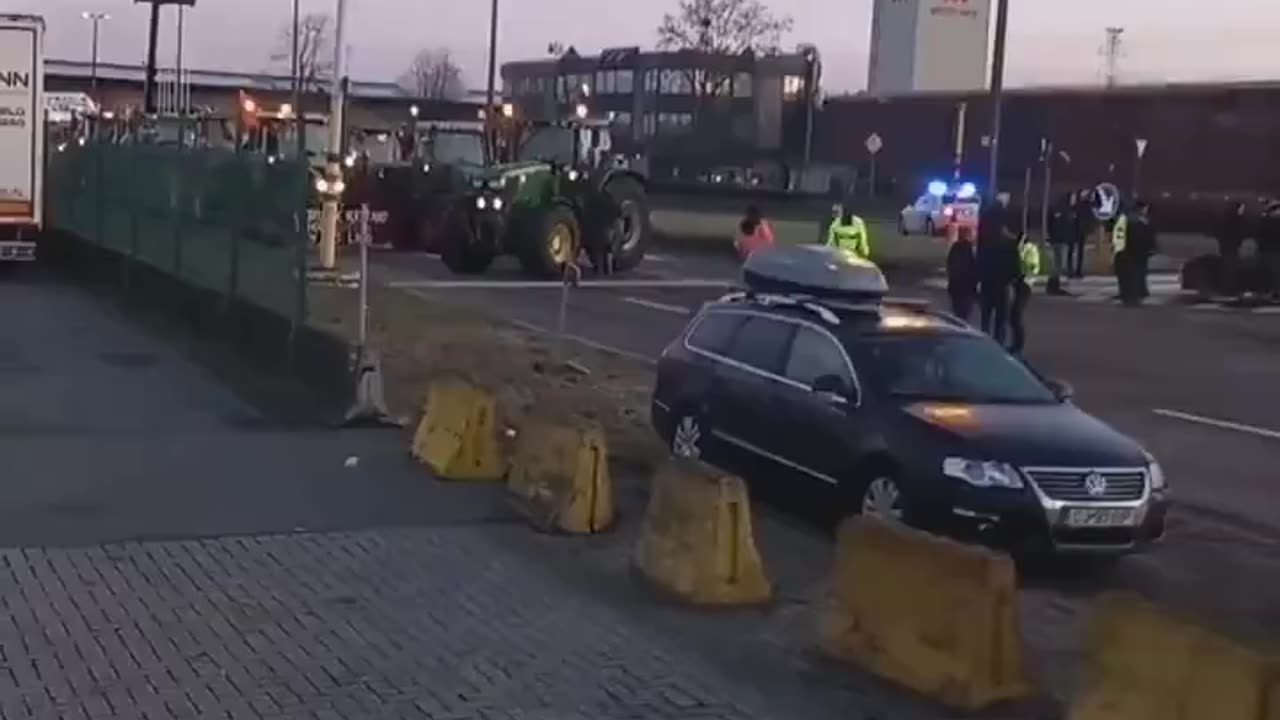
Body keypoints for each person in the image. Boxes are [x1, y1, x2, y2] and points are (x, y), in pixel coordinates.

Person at [976, 192, 1021, 344]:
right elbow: (1013, 264)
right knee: (1000, 316)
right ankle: (997, 343)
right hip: (1000, 282)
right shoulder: (1008, 245)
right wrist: (1014, 279)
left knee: (986, 314)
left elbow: (980, 256)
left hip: (987, 279)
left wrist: (978, 277)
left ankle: (984, 340)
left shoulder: (986, 225)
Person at [1114, 200, 1156, 306]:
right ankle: (1132, 297)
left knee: (1133, 276)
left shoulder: (1134, 220)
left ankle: (1132, 296)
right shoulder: (1135, 221)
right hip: (1133, 253)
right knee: (1133, 275)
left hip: (1134, 252)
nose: (1146, 210)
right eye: (1145, 208)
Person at [1010, 233, 1042, 354]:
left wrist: (1025, 272)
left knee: (1016, 314)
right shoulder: (1019, 248)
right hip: (1017, 282)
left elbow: (1031, 266)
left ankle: (1018, 345)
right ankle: (1016, 343)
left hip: (1025, 283)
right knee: (1012, 315)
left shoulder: (1030, 249)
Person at [946, 226, 978, 322]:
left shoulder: (955, 247)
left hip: (955, 286)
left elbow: (950, 264)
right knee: (964, 314)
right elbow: (974, 268)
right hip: (966, 287)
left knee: (957, 313)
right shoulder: (970, 249)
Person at [1216, 201, 1249, 297]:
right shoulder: (1236, 220)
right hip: (1231, 247)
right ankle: (1230, 290)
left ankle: (1227, 289)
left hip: (1227, 247)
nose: (1243, 210)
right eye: (1242, 208)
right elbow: (1238, 233)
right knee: (1231, 269)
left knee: (1228, 269)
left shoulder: (1226, 220)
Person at [1046, 193, 1076, 294]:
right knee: (1058, 263)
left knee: (1058, 263)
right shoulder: (1062, 210)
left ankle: (1053, 285)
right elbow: (1059, 225)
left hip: (1058, 239)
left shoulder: (1064, 210)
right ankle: (1053, 285)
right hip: (1058, 239)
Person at [1071, 188, 1095, 278]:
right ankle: (1076, 271)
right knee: (1076, 251)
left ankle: (1077, 270)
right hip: (1078, 230)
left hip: (1080, 230)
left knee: (1078, 251)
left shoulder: (1085, 205)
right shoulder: (1082, 205)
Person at [1259, 203, 1280, 302]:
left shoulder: (1265, 223)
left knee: (1271, 274)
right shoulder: (1266, 223)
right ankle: (1273, 293)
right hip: (1270, 252)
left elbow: (1260, 238)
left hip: (1268, 252)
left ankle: (1271, 293)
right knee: (1273, 273)